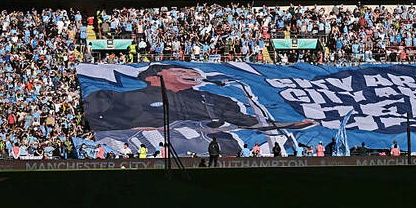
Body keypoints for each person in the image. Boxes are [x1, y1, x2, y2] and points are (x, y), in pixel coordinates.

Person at [83, 63, 313, 157]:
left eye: (192, 71)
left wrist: (288, 125)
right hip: (152, 147)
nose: (191, 72)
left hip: (210, 148)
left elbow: (246, 121)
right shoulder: (120, 97)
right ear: (154, 77)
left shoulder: (213, 99)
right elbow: (97, 119)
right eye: (179, 70)